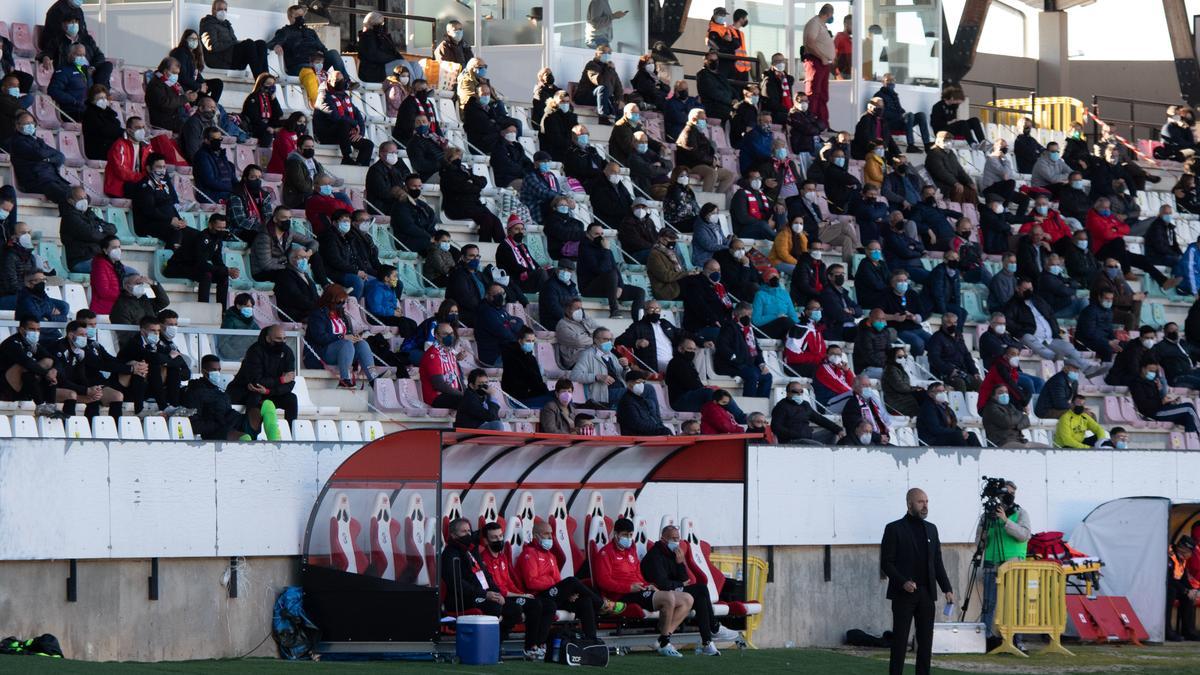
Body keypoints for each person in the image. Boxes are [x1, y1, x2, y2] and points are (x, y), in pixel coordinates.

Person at [594, 518, 697, 657]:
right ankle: (665, 643)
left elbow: (637, 573)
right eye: (625, 535)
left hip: (639, 590)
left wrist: (647, 585)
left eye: (631, 535)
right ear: (616, 534)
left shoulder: (631, 550)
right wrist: (629, 588)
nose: (628, 538)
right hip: (622, 595)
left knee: (688, 599)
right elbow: (603, 582)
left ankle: (662, 638)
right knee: (668, 598)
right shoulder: (605, 553)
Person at [882, 488, 954, 675]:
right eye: (921, 502)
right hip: (903, 594)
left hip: (926, 594)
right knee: (900, 641)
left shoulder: (931, 529)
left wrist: (946, 588)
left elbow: (937, 562)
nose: (925, 506)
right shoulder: (894, 528)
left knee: (925, 641)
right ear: (909, 504)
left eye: (927, 502)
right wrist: (903, 582)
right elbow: (886, 563)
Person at [641, 524, 739, 656]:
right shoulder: (655, 556)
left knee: (700, 594)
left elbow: (684, 579)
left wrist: (680, 563)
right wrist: (680, 583)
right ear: (663, 539)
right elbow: (662, 583)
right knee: (701, 589)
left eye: (678, 539)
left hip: (673, 591)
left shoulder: (674, 554)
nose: (676, 542)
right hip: (659, 594)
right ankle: (713, 628)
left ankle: (707, 642)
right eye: (673, 539)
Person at [518, 519, 612, 645]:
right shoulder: (529, 554)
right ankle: (601, 603)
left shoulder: (551, 556)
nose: (550, 537)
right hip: (540, 596)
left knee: (585, 601)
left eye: (551, 534)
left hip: (554, 595)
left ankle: (591, 640)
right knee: (572, 581)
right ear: (536, 536)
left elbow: (558, 581)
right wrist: (557, 586)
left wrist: (566, 593)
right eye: (546, 534)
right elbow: (531, 583)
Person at [976, 481, 1032, 648]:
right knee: (988, 603)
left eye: (1011, 493)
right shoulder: (988, 515)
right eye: (1004, 493)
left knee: (1014, 602)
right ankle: (986, 639)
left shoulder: (1021, 513)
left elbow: (1024, 535)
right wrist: (986, 528)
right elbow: (980, 542)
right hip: (992, 562)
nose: (1008, 496)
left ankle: (1016, 639)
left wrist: (1005, 520)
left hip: (1013, 564)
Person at [1005, 278, 1099, 374]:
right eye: (1025, 289)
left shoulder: (1038, 300)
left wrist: (1055, 331)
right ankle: (1059, 359)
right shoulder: (1013, 304)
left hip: (1050, 338)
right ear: (1017, 288)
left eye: (1030, 288)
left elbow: (1050, 316)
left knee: (1069, 348)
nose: (1029, 291)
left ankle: (1088, 369)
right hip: (1032, 337)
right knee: (1027, 337)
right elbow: (1008, 322)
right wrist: (1022, 330)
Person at [304, 285, 376, 389]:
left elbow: (348, 334)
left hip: (344, 351)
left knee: (362, 344)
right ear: (330, 300)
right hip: (321, 353)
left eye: (344, 302)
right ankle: (344, 380)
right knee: (345, 343)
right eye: (339, 302)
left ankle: (373, 379)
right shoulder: (318, 315)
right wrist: (342, 337)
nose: (342, 305)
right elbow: (320, 338)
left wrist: (355, 338)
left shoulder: (342, 315)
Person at [164, 213, 237, 304]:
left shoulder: (217, 239)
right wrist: (226, 270)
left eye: (223, 228)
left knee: (223, 276)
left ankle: (222, 311)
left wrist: (227, 271)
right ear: (210, 225)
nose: (221, 231)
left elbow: (217, 260)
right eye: (219, 228)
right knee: (206, 275)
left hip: (193, 267)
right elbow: (201, 263)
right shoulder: (201, 237)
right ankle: (203, 306)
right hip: (178, 267)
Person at [267, 4, 351, 81]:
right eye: (297, 15)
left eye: (302, 15)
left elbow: (323, 49)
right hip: (299, 65)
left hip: (317, 63)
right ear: (290, 17)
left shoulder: (310, 32)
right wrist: (276, 46)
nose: (301, 18)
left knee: (333, 53)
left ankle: (346, 81)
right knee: (311, 69)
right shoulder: (285, 31)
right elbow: (270, 44)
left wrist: (321, 56)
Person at [440, 146, 503, 243]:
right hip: (457, 206)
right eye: (456, 157)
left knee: (496, 221)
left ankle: (503, 247)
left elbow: (483, 180)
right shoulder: (447, 173)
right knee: (486, 219)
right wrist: (475, 186)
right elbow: (462, 187)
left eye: (460, 157)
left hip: (473, 204)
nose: (459, 159)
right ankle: (484, 245)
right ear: (449, 158)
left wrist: (472, 183)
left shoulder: (464, 171)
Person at [9, 112, 71, 204]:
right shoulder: (17, 142)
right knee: (67, 197)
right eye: (26, 124)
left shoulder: (38, 140)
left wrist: (49, 159)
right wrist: (48, 154)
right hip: (36, 181)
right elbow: (39, 154)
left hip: (52, 178)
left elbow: (60, 157)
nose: (30, 126)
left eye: (32, 123)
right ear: (17, 126)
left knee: (78, 194)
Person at [714, 303, 772, 398]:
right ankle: (749, 403)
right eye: (746, 315)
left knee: (767, 376)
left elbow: (756, 349)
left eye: (750, 315)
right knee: (752, 375)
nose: (749, 317)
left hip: (746, 364)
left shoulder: (749, 329)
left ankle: (761, 404)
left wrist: (762, 364)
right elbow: (722, 346)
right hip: (731, 365)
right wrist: (736, 358)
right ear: (738, 315)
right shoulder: (729, 327)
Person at [319, 210, 380, 299]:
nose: (347, 224)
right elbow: (335, 261)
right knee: (357, 281)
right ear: (334, 223)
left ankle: (365, 308)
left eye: (348, 221)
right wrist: (356, 271)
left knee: (376, 282)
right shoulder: (329, 237)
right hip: (335, 272)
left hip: (348, 270)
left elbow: (355, 258)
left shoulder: (348, 237)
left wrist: (361, 271)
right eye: (343, 221)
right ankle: (350, 306)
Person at [0, 317, 57, 412]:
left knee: (48, 362)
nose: (36, 332)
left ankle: (50, 405)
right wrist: (46, 374)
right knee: (25, 366)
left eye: (38, 329)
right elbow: (26, 362)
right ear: (22, 330)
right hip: (6, 386)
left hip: (26, 383)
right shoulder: (11, 343)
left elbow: (54, 360)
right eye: (32, 329)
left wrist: (53, 371)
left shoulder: (33, 344)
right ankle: (40, 405)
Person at [131, 153, 186, 248]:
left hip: (166, 223)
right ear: (149, 168)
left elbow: (170, 205)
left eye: (164, 167)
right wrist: (170, 220)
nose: (162, 170)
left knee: (195, 235)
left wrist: (180, 220)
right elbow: (149, 210)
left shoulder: (162, 185)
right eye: (159, 167)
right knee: (175, 233)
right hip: (149, 225)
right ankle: (171, 261)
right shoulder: (145, 186)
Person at [200, 1, 268, 76]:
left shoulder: (226, 24)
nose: (223, 12)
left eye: (225, 9)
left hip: (231, 58)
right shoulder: (207, 24)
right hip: (221, 60)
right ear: (213, 10)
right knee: (249, 43)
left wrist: (236, 42)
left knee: (261, 44)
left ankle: (266, 77)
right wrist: (234, 42)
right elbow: (212, 46)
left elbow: (234, 42)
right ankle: (260, 80)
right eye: (220, 9)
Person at [675, 110, 735, 194]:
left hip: (704, 164)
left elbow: (707, 151)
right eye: (702, 119)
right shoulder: (688, 132)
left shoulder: (699, 133)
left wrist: (714, 159)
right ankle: (706, 201)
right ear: (693, 119)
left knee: (729, 175)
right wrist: (711, 160)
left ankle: (715, 198)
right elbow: (694, 154)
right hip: (691, 166)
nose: (705, 122)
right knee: (711, 173)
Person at [60, 187, 117, 274]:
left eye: (85, 198)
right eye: (80, 198)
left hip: (96, 258)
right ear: (70, 201)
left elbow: (112, 228)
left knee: (128, 271)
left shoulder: (89, 214)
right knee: (112, 270)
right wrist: (102, 231)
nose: (84, 201)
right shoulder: (70, 217)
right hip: (80, 261)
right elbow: (92, 235)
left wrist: (100, 230)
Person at [1131, 363, 1200, 433]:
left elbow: (1158, 399)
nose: (1153, 373)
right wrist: (1162, 401)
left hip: (1161, 408)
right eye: (1151, 371)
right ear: (1143, 369)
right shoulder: (1137, 384)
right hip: (1154, 413)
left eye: (1154, 371)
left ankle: (1192, 440)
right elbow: (1143, 404)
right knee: (1189, 408)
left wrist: (1169, 401)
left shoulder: (1153, 382)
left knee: (1189, 418)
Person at [571, 327, 628, 409]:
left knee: (644, 389)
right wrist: (597, 377)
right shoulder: (587, 355)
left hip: (620, 389)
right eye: (605, 339)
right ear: (595, 340)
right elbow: (574, 375)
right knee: (638, 391)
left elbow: (624, 376)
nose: (609, 342)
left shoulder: (612, 356)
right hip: (604, 394)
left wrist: (626, 367)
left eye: (610, 340)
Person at [927, 314, 980, 393]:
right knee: (960, 383)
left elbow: (966, 355)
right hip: (945, 374)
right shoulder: (936, 338)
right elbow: (934, 359)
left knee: (979, 383)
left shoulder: (959, 336)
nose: (953, 325)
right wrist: (949, 370)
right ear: (943, 323)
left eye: (955, 323)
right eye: (949, 323)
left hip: (962, 372)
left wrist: (974, 371)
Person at [918, 382, 981, 447]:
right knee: (958, 436)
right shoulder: (928, 408)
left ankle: (979, 456)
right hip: (932, 439)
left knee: (971, 435)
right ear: (930, 394)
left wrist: (962, 432)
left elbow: (953, 425)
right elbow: (936, 429)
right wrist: (957, 432)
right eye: (939, 391)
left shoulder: (944, 406)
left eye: (943, 391)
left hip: (944, 436)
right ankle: (965, 456)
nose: (942, 393)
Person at [801, 5, 835, 125]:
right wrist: (822, 57)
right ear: (828, 14)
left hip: (823, 63)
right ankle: (810, 121)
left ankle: (822, 123)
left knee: (822, 94)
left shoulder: (821, 24)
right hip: (816, 61)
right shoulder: (814, 23)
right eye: (832, 15)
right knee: (814, 92)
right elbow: (810, 43)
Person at [475, 283, 522, 367]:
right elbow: (506, 334)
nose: (500, 296)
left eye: (502, 294)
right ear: (487, 296)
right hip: (494, 358)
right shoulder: (486, 312)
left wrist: (510, 326)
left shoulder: (500, 309)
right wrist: (513, 329)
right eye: (496, 294)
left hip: (506, 353)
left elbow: (520, 321)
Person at [925, 131, 978, 205]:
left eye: (950, 140)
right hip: (941, 184)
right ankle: (957, 212)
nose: (949, 143)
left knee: (971, 191)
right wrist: (955, 183)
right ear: (939, 141)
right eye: (946, 141)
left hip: (952, 183)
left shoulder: (951, 153)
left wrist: (969, 182)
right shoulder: (933, 154)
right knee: (958, 190)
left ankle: (972, 212)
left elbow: (960, 170)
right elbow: (941, 172)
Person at [575, 45, 621, 124]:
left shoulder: (610, 68)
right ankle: (602, 117)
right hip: (586, 96)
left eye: (609, 53)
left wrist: (620, 100)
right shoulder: (591, 65)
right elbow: (600, 81)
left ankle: (619, 124)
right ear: (596, 54)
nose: (607, 55)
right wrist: (608, 69)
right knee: (602, 88)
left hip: (602, 98)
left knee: (619, 102)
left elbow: (618, 86)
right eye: (604, 52)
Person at [616, 371, 672, 436]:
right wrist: (658, 429)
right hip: (636, 437)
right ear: (629, 384)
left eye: (643, 382)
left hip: (646, 434)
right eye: (638, 382)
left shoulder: (642, 400)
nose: (641, 385)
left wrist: (660, 428)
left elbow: (651, 419)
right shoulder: (626, 402)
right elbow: (637, 424)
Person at [1166, 536, 1200, 642]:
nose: (1190, 555)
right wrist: (1186, 591)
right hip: (1162, 588)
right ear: (1183, 549)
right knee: (1171, 591)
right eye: (1190, 552)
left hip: (1176, 587)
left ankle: (1188, 631)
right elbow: (1169, 580)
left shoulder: (1182, 559)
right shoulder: (1169, 556)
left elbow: (1184, 579)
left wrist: (1191, 591)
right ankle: (1167, 630)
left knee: (1187, 597)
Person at [47, 43, 92, 120]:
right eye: (78, 55)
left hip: (85, 110)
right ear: (70, 55)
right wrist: (73, 101)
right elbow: (53, 90)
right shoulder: (63, 71)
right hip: (71, 110)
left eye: (83, 55)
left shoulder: (86, 71)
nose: (82, 57)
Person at [192, 126, 236, 204]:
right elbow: (210, 181)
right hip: (211, 195)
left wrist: (240, 187)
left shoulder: (221, 154)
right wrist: (231, 188)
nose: (218, 142)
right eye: (215, 140)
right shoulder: (202, 156)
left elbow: (231, 177)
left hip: (225, 192)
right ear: (206, 140)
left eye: (220, 139)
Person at [752, 267, 797, 340]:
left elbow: (793, 315)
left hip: (784, 327)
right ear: (766, 279)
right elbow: (756, 321)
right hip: (766, 329)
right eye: (771, 276)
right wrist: (776, 316)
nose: (775, 278)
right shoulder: (760, 295)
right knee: (785, 321)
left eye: (776, 276)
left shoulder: (784, 294)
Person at [696, 50, 734, 125]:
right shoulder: (703, 75)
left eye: (716, 60)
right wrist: (731, 101)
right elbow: (714, 93)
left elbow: (729, 88)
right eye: (711, 60)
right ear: (705, 61)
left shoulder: (720, 74)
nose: (714, 62)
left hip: (725, 108)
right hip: (713, 110)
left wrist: (736, 99)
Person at [217, 293, 258, 361]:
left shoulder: (251, 321)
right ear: (238, 306)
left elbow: (260, 336)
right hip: (235, 358)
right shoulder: (230, 320)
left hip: (249, 358)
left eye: (251, 307)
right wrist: (236, 357)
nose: (250, 309)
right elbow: (223, 343)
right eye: (247, 306)